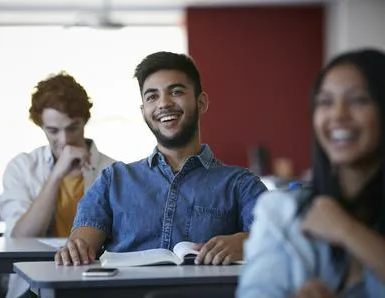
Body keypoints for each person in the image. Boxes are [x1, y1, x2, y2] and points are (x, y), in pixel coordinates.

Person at [55, 51, 267, 267]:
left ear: (201, 102)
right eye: (152, 96)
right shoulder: (113, 180)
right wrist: (76, 249)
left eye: (176, 92)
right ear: (144, 111)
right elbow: (81, 245)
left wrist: (245, 242)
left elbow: (279, 238)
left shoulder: (240, 183)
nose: (163, 103)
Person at [237, 48, 385, 298]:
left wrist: (346, 230)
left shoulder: (340, 224)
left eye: (358, 100)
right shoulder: (280, 213)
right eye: (325, 102)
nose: (338, 115)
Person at [0, 72, 115, 297]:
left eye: (72, 128)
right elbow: (19, 239)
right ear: (40, 126)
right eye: (53, 131)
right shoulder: (22, 167)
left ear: (85, 121)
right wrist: (56, 176)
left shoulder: (113, 170)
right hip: (31, 284)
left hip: (95, 281)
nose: (64, 140)